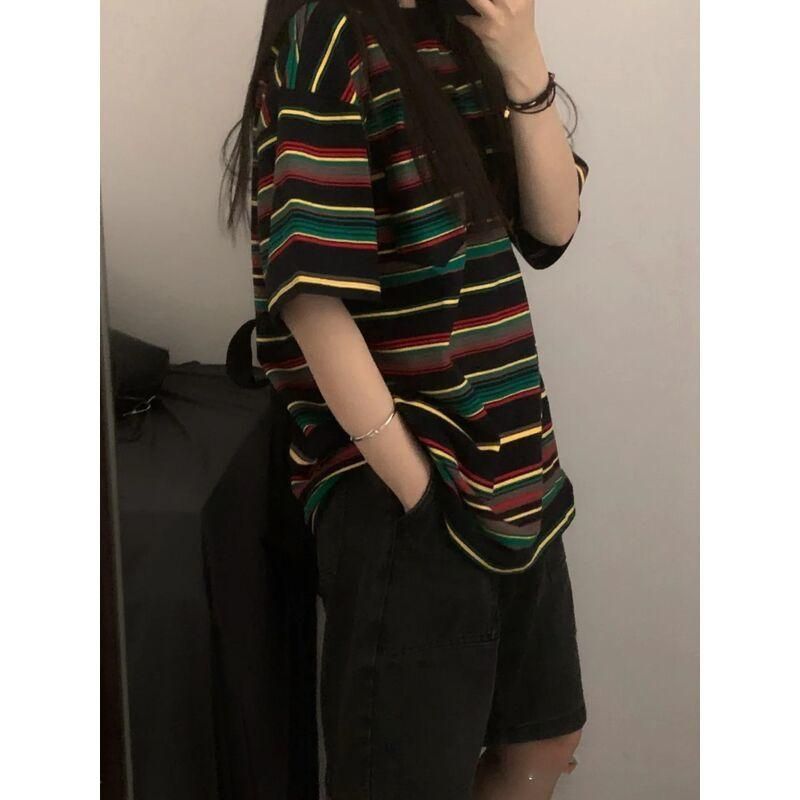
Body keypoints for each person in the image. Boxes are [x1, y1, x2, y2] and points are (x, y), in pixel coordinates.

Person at [223, 0, 589, 797]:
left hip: (513, 464)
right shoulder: (330, 34)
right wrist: (415, 489)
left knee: (543, 734)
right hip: (412, 482)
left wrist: (522, 54)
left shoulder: (462, 32)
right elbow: (310, 297)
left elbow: (553, 226)